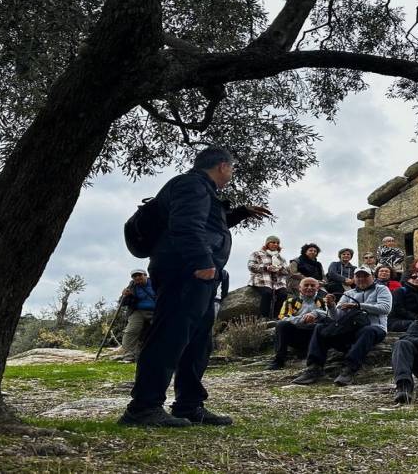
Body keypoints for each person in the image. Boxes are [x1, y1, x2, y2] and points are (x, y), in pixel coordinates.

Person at [119, 146, 271, 428]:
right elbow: (186, 224)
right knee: (170, 336)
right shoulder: (191, 184)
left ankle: (188, 405)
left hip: (196, 274)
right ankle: (143, 407)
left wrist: (241, 213)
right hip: (185, 271)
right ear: (223, 166)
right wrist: (202, 261)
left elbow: (210, 223)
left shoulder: (201, 189)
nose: (233, 172)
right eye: (232, 168)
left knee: (198, 341)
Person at [292, 267, 392, 387]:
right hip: (349, 330)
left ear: (372, 277)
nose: (361, 279)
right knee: (319, 328)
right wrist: (331, 305)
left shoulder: (381, 289)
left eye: (365, 276)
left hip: (375, 328)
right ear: (354, 278)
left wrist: (357, 306)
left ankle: (349, 369)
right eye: (358, 276)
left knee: (367, 330)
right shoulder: (348, 293)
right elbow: (336, 317)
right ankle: (314, 368)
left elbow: (385, 308)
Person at [267, 278, 329, 370]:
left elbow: (331, 316)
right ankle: (279, 360)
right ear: (300, 288)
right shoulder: (290, 301)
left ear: (317, 288)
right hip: (297, 334)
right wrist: (303, 319)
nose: (309, 288)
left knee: (322, 326)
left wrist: (315, 313)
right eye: (306, 285)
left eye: (312, 285)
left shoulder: (324, 301)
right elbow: (283, 318)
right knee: (281, 325)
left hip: (315, 334)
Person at [247, 236, 290, 319]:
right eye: (273, 242)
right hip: (262, 279)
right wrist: (266, 267)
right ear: (267, 243)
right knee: (267, 293)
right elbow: (250, 266)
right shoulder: (257, 254)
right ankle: (264, 317)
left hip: (278, 281)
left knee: (283, 294)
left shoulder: (281, 258)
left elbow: (287, 271)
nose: (276, 244)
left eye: (277, 243)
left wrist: (280, 269)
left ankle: (277, 317)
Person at [120, 268, 157, 362]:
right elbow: (122, 302)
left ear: (145, 275)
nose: (137, 277)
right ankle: (129, 356)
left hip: (156, 311)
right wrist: (125, 295)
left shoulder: (156, 283)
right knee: (130, 331)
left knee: (160, 331)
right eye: (134, 276)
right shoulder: (132, 286)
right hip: (138, 311)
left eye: (139, 275)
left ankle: (161, 354)